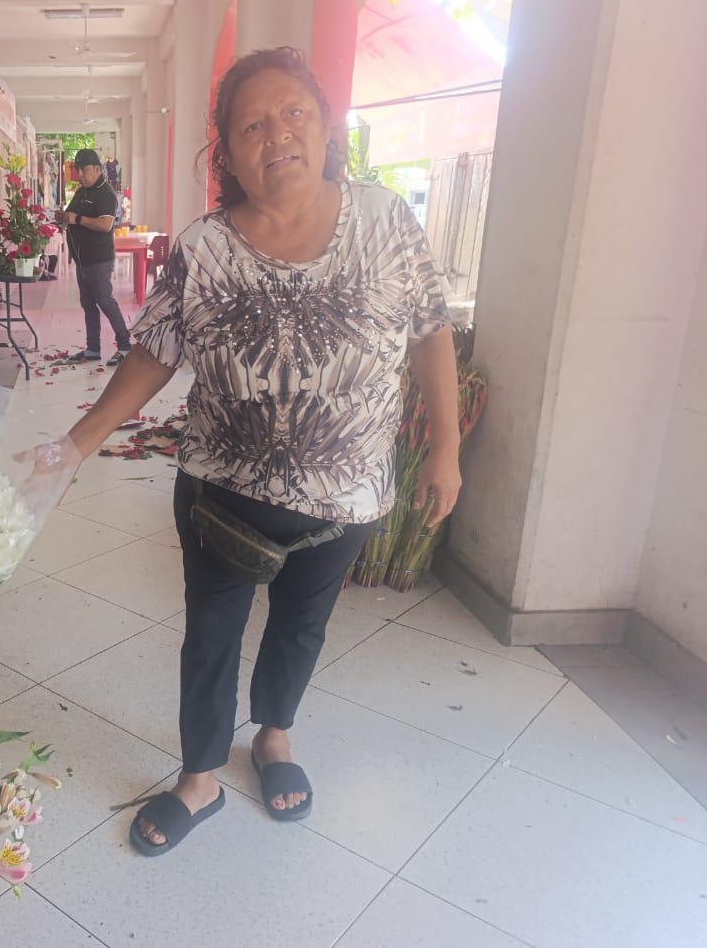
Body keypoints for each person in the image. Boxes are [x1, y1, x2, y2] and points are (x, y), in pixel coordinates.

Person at [34, 48, 462, 855]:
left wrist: (446, 448)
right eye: (252, 125)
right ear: (226, 150)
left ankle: (274, 736)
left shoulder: (385, 221)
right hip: (223, 491)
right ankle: (199, 776)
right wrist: (79, 442)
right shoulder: (205, 247)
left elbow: (431, 329)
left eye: (293, 114)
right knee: (210, 634)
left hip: (346, 494)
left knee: (302, 625)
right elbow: (155, 351)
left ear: (325, 125)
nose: (277, 136)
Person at [57, 148, 132, 367]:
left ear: (98, 169)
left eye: (85, 170)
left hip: (99, 259)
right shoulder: (82, 192)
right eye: (78, 170)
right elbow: (71, 216)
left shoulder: (105, 194)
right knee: (88, 304)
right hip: (82, 260)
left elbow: (105, 224)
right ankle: (92, 348)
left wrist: (77, 219)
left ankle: (125, 346)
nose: (80, 174)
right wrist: (64, 217)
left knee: (105, 301)